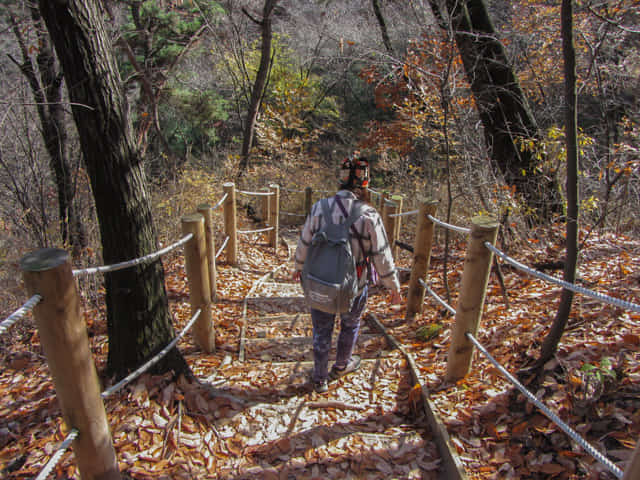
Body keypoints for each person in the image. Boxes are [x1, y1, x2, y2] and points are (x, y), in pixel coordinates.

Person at [293, 154, 402, 393]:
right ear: (364, 185)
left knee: (322, 328)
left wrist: (298, 267)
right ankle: (342, 365)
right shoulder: (368, 215)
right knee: (350, 324)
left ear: (340, 181)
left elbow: (304, 242)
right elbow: (381, 254)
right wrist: (392, 286)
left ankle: (319, 378)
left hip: (320, 281)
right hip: (355, 284)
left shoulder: (319, 208)